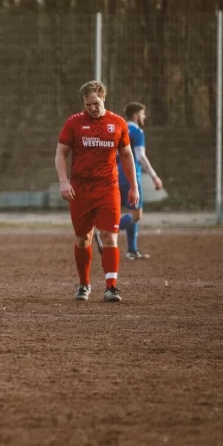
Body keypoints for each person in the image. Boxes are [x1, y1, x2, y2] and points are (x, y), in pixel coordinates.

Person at [55, 80, 139, 303]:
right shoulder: (73, 123)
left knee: (109, 237)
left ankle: (111, 287)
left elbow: (127, 156)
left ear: (104, 98)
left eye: (95, 103)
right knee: (83, 239)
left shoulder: (118, 123)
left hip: (107, 188)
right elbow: (61, 153)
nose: (92, 107)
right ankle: (84, 284)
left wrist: (133, 186)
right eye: (87, 104)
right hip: (80, 190)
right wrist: (64, 182)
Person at [116, 102, 163, 260]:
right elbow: (141, 157)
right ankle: (106, 233)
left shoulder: (118, 129)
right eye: (142, 114)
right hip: (131, 176)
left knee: (130, 212)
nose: (144, 117)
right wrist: (154, 176)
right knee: (136, 215)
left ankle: (132, 249)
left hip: (115, 175)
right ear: (135, 115)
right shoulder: (137, 132)